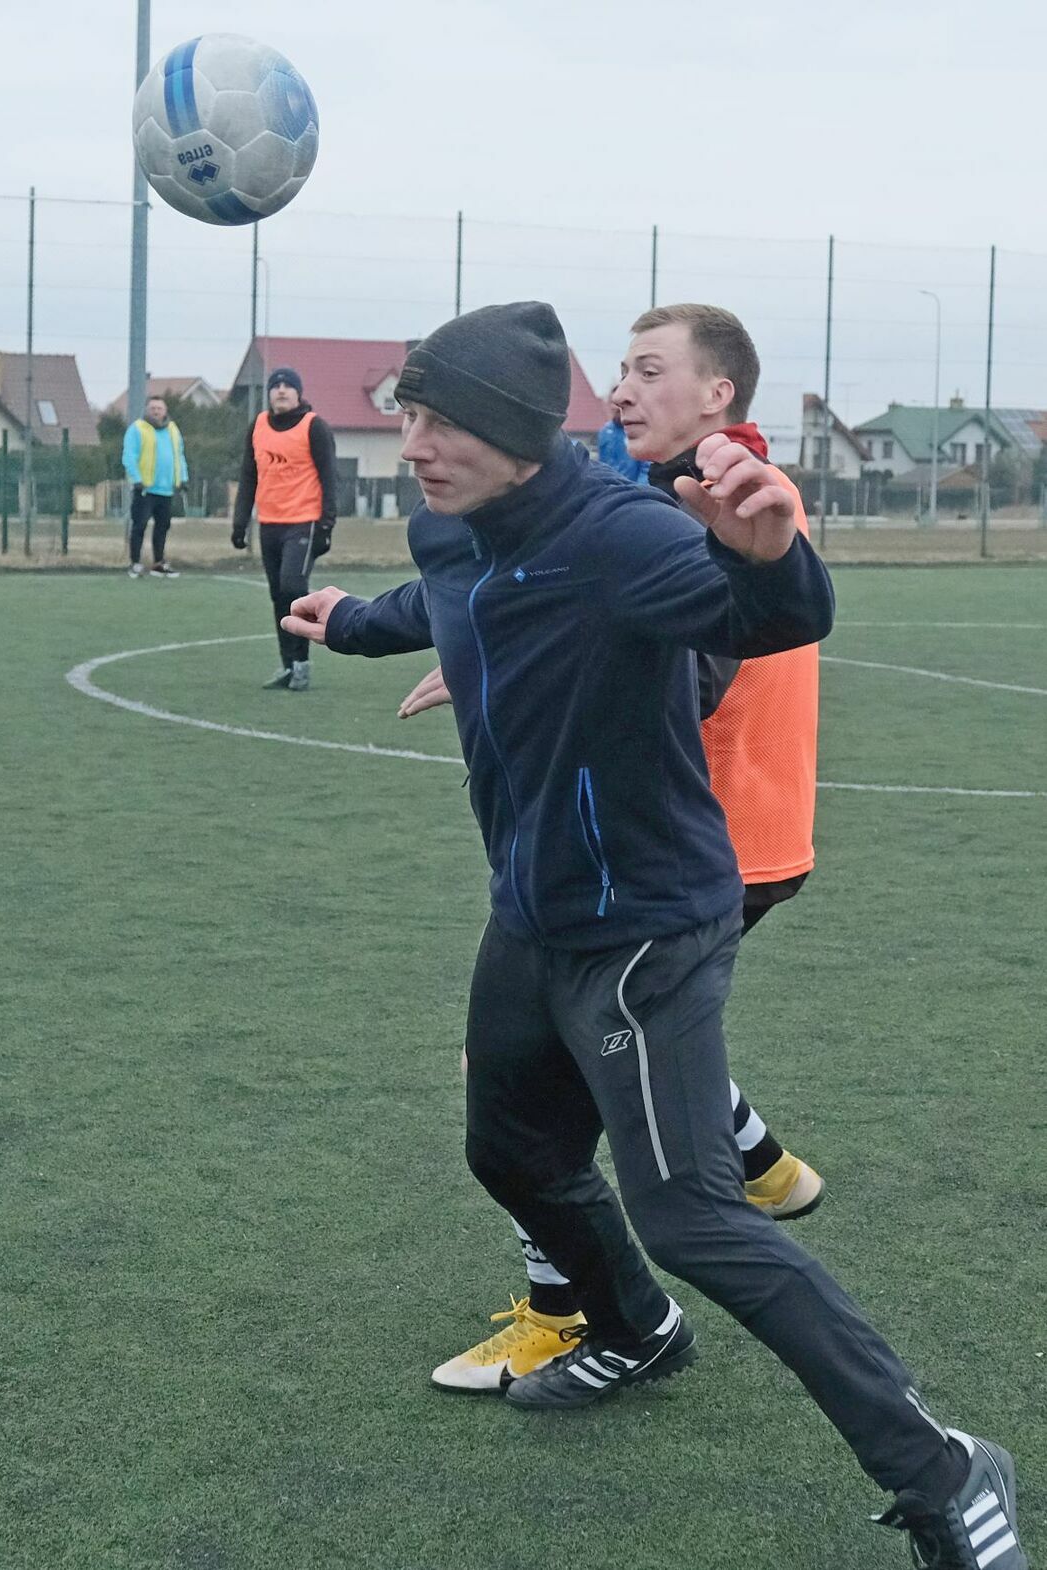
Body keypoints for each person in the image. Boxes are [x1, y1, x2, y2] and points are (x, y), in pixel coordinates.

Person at [282, 301, 1027, 1569]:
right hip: (531, 906)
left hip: (646, 925)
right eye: (407, 415)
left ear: (518, 436)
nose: (411, 443)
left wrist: (767, 554)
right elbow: (454, 591)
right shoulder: (450, 518)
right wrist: (358, 622)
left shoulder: (621, 532)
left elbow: (774, 615)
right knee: (508, 1147)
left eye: (439, 421)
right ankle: (635, 1327)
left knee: (689, 1212)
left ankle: (944, 1469)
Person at [400, 306, 823, 1392]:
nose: (621, 391)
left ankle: (582, 1315)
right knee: (579, 1079)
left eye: (648, 371)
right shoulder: (652, 491)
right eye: (619, 371)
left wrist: (536, 656)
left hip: (679, 850)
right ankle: (762, 1164)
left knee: (543, 1103)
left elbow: (695, 667)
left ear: (718, 394)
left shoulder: (724, 496)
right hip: (687, 842)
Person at [232, 367, 337, 691]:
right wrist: (240, 521)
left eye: (287, 386)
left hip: (303, 521)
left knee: (293, 587)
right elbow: (249, 476)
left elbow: (329, 476)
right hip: (270, 524)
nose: (280, 390)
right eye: (275, 385)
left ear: (298, 393)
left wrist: (326, 523)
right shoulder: (259, 426)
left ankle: (302, 663)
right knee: (278, 595)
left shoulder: (313, 426)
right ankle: (288, 666)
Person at [122, 395, 187, 578]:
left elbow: (179, 455)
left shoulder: (173, 429)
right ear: (146, 410)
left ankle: (159, 564)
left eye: (159, 408)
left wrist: (182, 477)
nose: (156, 411)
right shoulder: (137, 429)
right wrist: (136, 478)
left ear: (165, 411)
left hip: (166, 489)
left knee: (163, 526)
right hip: (145, 488)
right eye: (152, 408)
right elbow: (129, 455)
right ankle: (135, 563)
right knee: (139, 525)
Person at [596, 400, 651, 484]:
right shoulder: (605, 432)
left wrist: (640, 490)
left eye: (621, 405)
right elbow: (601, 462)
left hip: (634, 487)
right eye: (614, 403)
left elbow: (646, 466)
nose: (617, 407)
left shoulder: (638, 430)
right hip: (610, 488)